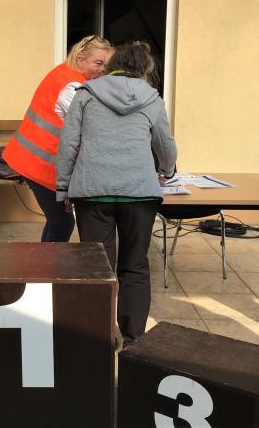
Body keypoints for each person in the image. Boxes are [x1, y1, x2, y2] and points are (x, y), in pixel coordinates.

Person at [56, 42, 177, 347]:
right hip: (140, 194)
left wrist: (63, 187)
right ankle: (134, 339)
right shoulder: (152, 98)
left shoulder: (86, 94)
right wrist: (167, 170)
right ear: (145, 69)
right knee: (135, 265)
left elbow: (68, 144)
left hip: (92, 192)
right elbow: (165, 144)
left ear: (112, 65)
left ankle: (100, 336)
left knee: (98, 267)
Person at [3, 35, 112, 242]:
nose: (102, 69)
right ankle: (48, 262)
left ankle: (45, 260)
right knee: (62, 223)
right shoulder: (72, 87)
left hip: (31, 159)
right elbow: (90, 127)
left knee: (57, 221)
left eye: (105, 65)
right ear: (80, 58)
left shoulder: (64, 72)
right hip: (41, 164)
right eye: (98, 63)